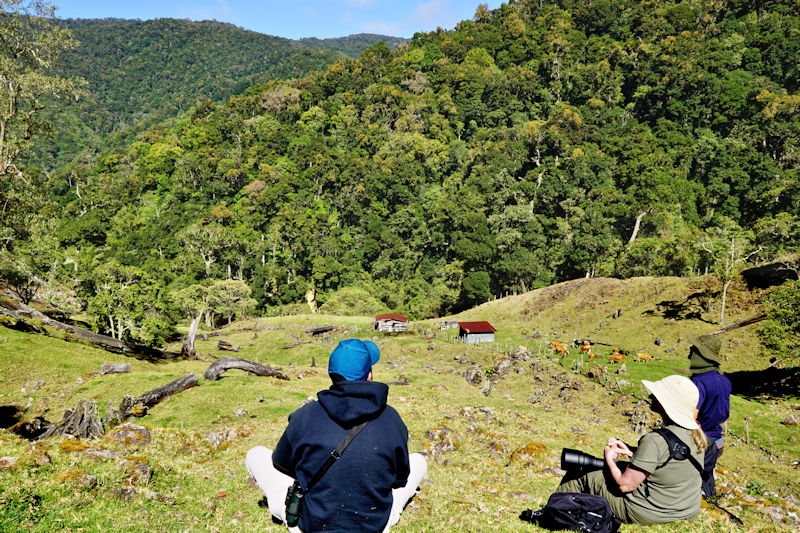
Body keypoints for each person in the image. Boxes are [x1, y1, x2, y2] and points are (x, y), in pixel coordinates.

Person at [245, 338, 427, 532]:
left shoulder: (304, 415)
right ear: (369, 376)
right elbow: (400, 478)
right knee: (418, 461)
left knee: (255, 454)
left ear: (331, 375)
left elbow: (282, 465)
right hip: (374, 527)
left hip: (310, 526)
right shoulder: (392, 418)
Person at [556, 375, 707, 524]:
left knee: (582, 474)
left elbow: (625, 485)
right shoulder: (696, 435)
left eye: (657, 394)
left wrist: (609, 458)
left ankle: (554, 514)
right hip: (686, 510)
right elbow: (670, 465)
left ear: (667, 403)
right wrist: (631, 452)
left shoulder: (655, 440)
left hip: (649, 512)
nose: (650, 396)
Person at [688, 334, 731, 500]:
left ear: (701, 354)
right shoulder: (724, 380)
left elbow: (692, 416)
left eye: (692, 350)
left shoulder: (698, 381)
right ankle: (711, 498)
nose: (689, 355)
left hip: (699, 438)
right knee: (707, 475)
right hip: (716, 437)